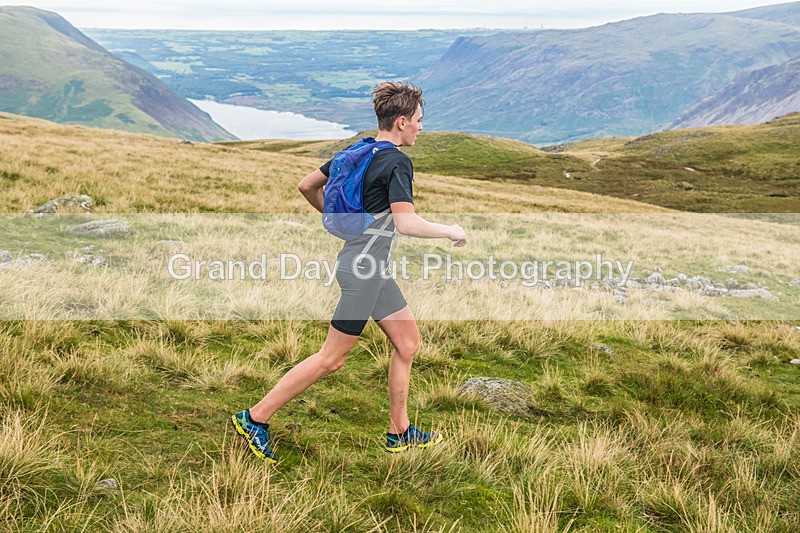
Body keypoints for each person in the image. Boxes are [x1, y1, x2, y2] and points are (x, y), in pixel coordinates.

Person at [231, 82, 468, 463]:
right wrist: (450, 231)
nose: (421, 127)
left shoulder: (357, 151)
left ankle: (399, 432)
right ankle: (255, 418)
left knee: (408, 344)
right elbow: (406, 223)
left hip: (368, 267)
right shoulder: (397, 163)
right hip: (364, 272)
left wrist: (341, 221)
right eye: (419, 120)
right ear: (402, 121)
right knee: (331, 358)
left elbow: (306, 185)